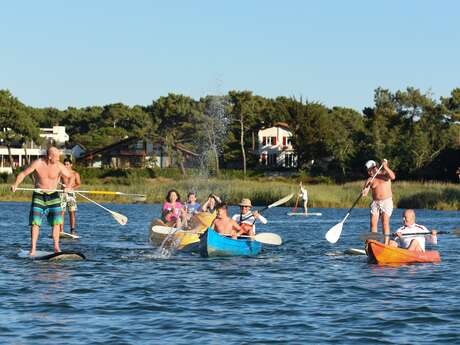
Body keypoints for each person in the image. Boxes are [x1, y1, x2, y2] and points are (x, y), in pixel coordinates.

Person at [10, 147, 74, 256]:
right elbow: (23, 174)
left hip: (54, 195)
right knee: (35, 223)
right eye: (57, 157)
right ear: (49, 157)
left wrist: (68, 186)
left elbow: (71, 176)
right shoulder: (38, 163)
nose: (59, 159)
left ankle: (56, 247)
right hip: (39, 195)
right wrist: (16, 184)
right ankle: (33, 249)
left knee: (57, 222)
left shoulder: (59, 165)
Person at [362, 159, 396, 245]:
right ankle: (374, 243)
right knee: (373, 223)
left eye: (370, 170)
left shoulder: (385, 174)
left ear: (375, 168)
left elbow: (393, 177)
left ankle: (386, 243)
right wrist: (364, 191)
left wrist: (385, 166)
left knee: (385, 222)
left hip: (386, 202)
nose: (369, 173)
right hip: (375, 203)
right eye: (368, 171)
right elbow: (365, 192)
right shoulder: (370, 179)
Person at [60, 158, 81, 235]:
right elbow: (56, 180)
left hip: (71, 195)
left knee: (72, 212)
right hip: (63, 194)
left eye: (67, 164)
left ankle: (72, 230)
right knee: (61, 212)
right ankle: (61, 230)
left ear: (71, 165)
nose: (66, 166)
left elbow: (78, 184)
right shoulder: (61, 173)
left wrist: (71, 188)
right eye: (64, 164)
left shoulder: (75, 174)